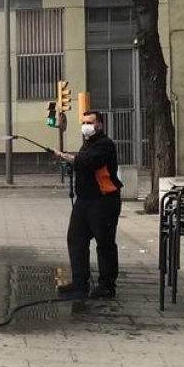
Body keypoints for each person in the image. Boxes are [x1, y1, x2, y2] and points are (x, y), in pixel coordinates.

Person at [53, 111, 121, 299]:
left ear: (99, 125)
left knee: (105, 243)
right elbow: (81, 163)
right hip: (84, 202)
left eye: (89, 122)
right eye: (83, 122)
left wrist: (64, 156)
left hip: (103, 201)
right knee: (76, 239)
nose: (85, 126)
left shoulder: (105, 145)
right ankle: (80, 284)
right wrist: (69, 162)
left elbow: (87, 162)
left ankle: (107, 285)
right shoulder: (88, 144)